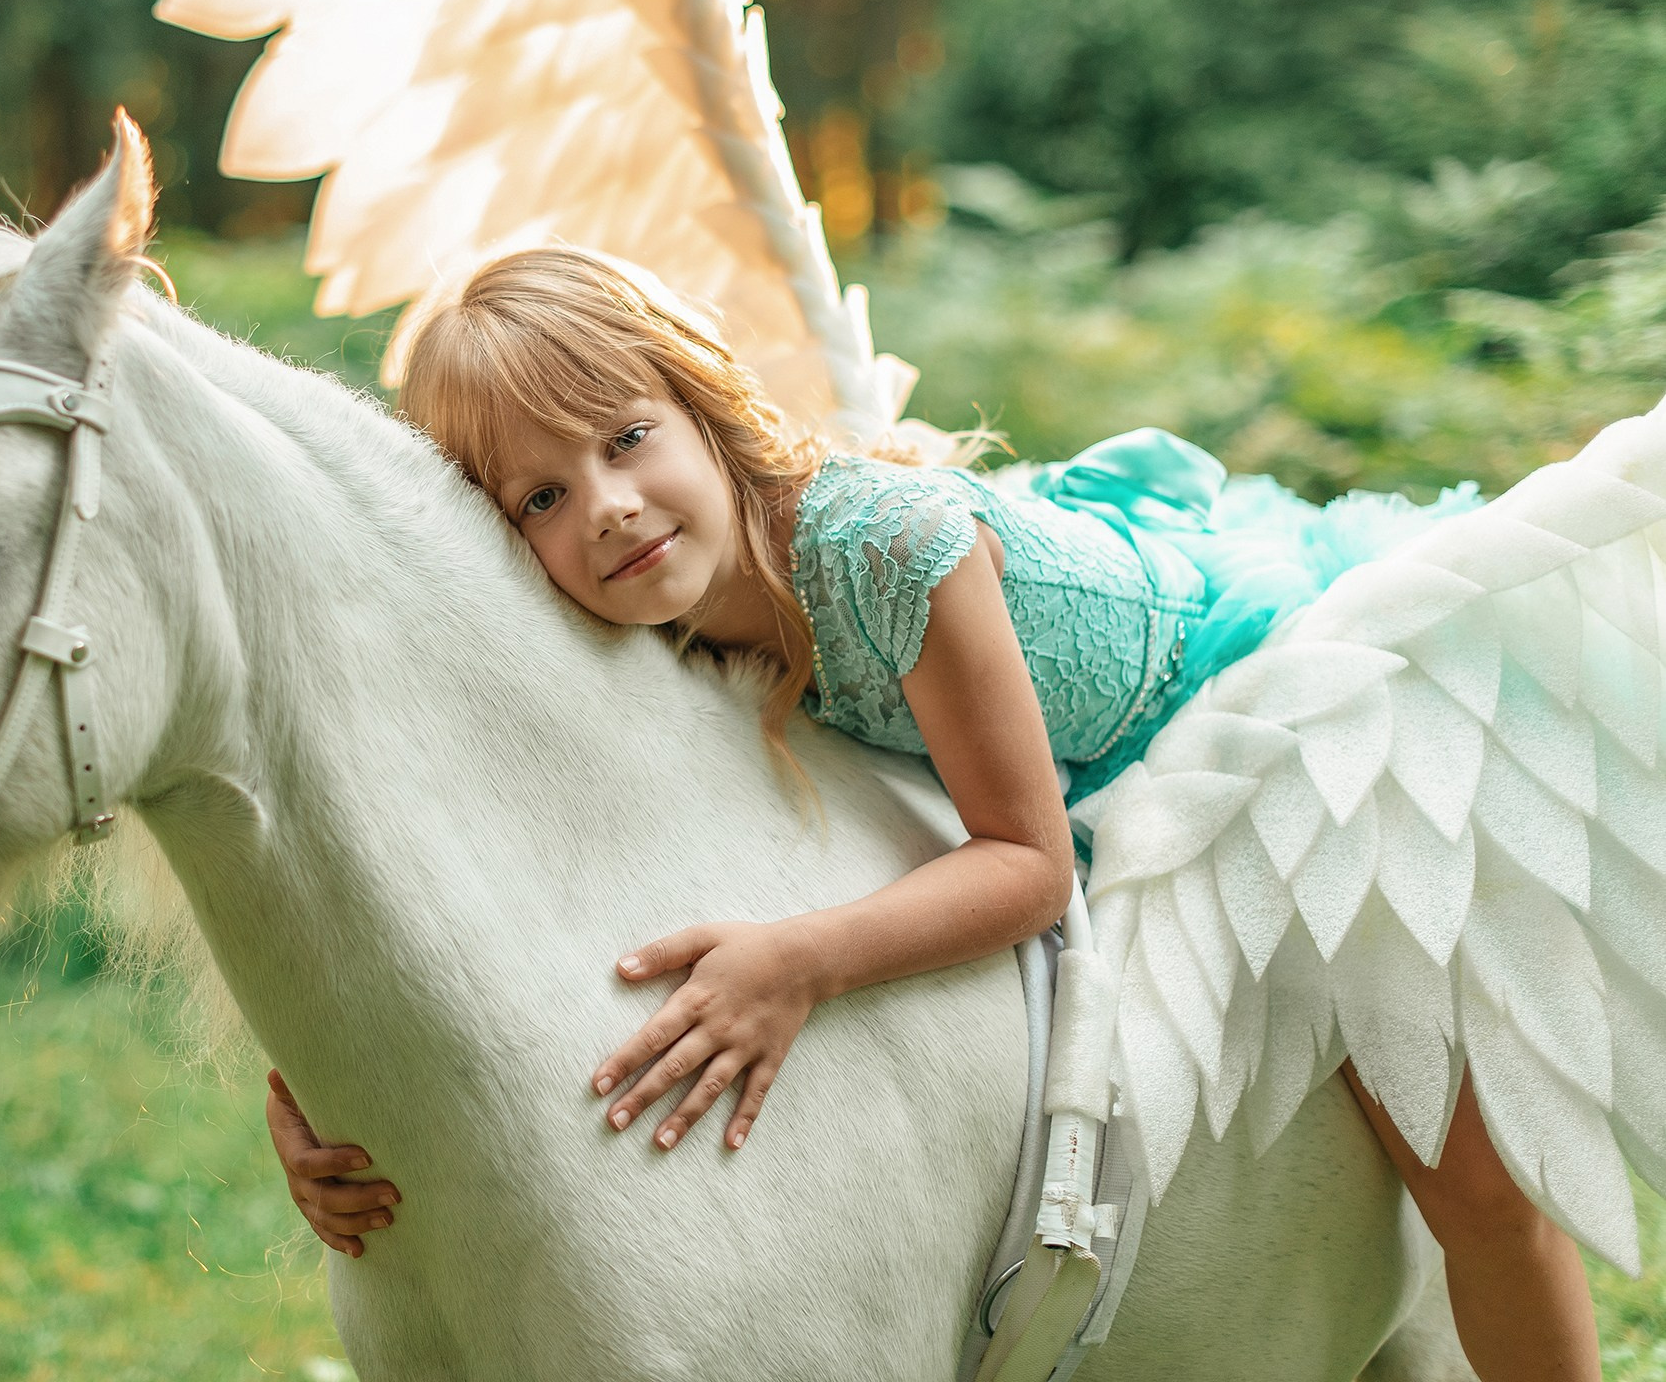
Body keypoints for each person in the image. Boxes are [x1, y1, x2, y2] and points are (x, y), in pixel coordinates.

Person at [261, 245, 1599, 1382]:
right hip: (1085, 790)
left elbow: (1020, 867)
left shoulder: (881, 546)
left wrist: (797, 961)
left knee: (1470, 1180)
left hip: (1269, 721)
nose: (606, 508)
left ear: (696, 401)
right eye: (541, 496)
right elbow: (466, 838)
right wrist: (316, 1094)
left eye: (624, 439)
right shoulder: (652, 621)